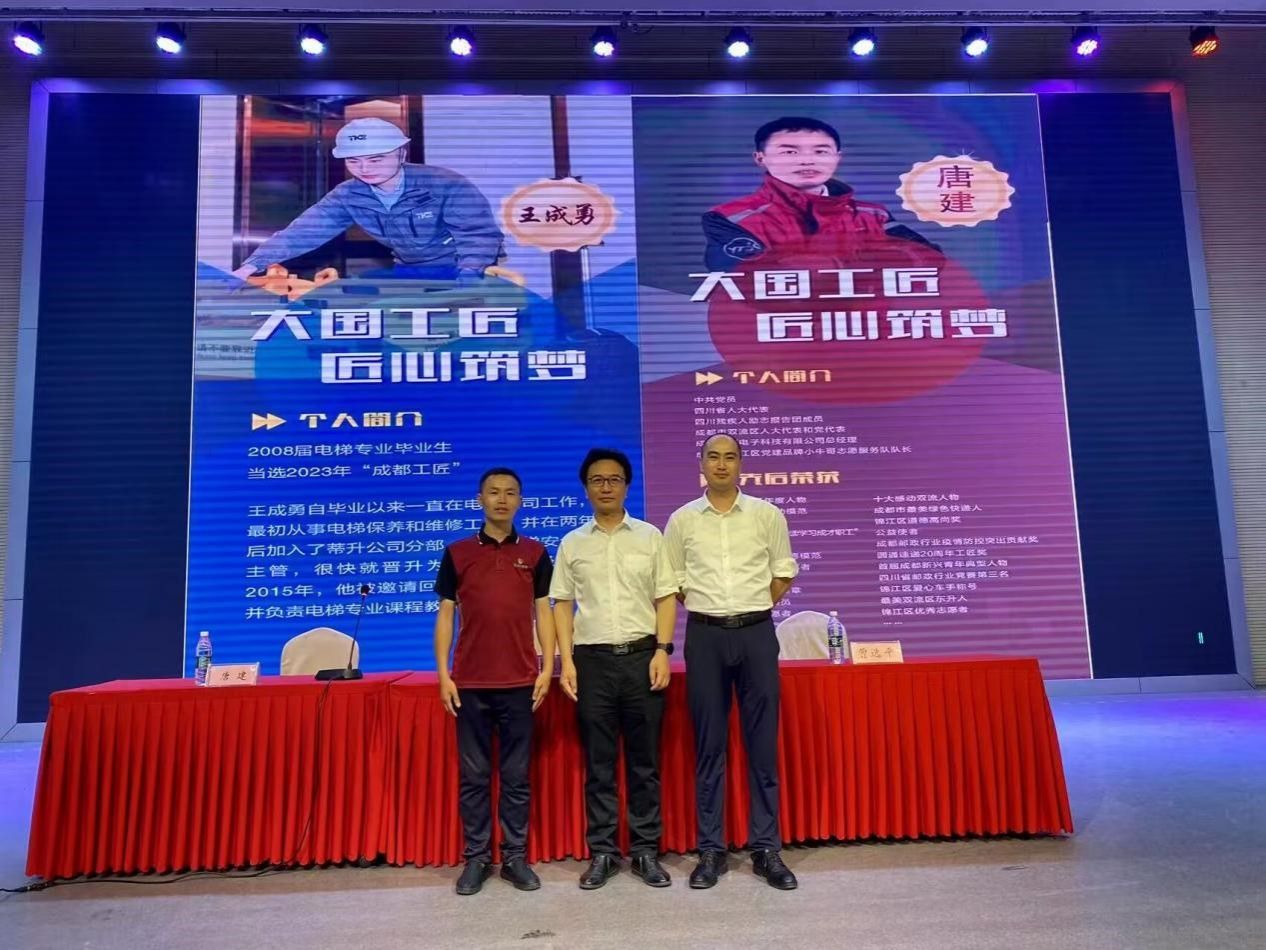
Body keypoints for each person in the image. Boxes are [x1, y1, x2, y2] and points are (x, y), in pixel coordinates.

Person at [663, 433, 800, 891]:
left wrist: (749, 608)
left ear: (741, 464)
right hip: (705, 637)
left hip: (757, 634)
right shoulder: (682, 520)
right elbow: (675, 582)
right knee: (709, 745)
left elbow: (783, 573)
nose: (721, 464)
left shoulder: (767, 514)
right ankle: (711, 850)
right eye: (713, 457)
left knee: (762, 744)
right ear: (701, 463)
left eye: (730, 457)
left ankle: (766, 849)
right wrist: (714, 611)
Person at [551, 449, 678, 890]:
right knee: (599, 764)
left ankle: (645, 852)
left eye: (614, 479)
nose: (606, 487)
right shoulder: (572, 543)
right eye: (597, 480)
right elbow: (562, 604)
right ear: (586, 488)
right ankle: (603, 852)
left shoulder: (650, 537)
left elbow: (665, 597)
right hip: (592, 662)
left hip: (643, 658)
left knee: (644, 763)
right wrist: (566, 661)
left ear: (627, 486)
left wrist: (663, 650)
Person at [434, 467, 556, 896]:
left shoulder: (536, 553)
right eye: (493, 492)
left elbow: (544, 611)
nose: (502, 499)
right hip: (469, 682)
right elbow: (446, 614)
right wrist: (443, 673)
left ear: (520, 500)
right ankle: (477, 858)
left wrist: (547, 667)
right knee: (474, 776)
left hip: (521, 682)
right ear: (480, 499)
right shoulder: (457, 553)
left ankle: (515, 858)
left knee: (517, 776)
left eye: (510, 493)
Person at [232, 116, 504, 282]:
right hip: (410, 270)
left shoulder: (444, 183)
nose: (364, 169)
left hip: (469, 266)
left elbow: (477, 235)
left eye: (376, 159)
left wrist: (470, 276)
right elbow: (302, 232)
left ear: (401, 154)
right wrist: (250, 266)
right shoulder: (348, 195)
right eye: (353, 161)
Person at [702, 116, 935, 270]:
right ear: (760, 158)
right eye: (790, 152)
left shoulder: (873, 214)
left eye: (820, 151)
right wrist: (867, 263)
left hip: (868, 327)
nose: (807, 160)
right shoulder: (731, 218)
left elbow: (930, 258)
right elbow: (741, 277)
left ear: (837, 157)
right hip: (781, 328)